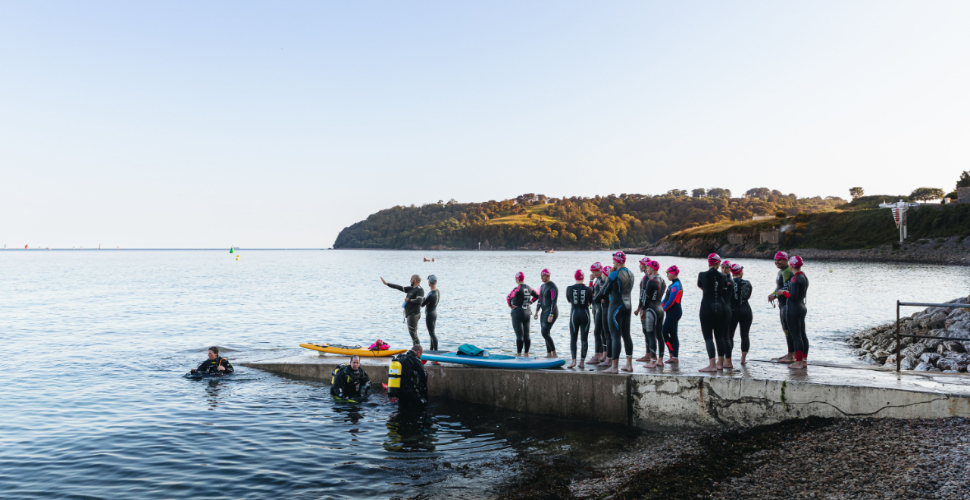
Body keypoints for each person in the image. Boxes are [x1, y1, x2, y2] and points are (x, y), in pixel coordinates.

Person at [593, 252, 635, 373]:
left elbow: (603, 290)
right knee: (626, 335)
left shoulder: (614, 274)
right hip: (628, 306)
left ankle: (614, 367)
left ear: (616, 261)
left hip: (616, 306)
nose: (613, 264)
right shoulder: (631, 273)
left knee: (615, 335)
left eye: (613, 261)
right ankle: (629, 364)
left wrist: (595, 299)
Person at [697, 253, 730, 372]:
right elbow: (723, 289)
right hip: (721, 306)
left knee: (708, 337)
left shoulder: (702, 275)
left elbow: (701, 287)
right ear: (718, 263)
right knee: (720, 336)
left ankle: (712, 365)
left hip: (707, 306)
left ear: (708, 262)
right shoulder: (723, 276)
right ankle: (720, 364)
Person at [636, 258, 666, 368]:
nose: (647, 269)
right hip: (660, 309)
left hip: (651, 310)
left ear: (652, 269)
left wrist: (642, 310)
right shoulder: (662, 280)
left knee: (650, 335)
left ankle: (652, 360)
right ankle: (660, 360)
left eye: (648, 267)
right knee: (659, 335)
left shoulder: (650, 281)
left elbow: (646, 298)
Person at [781, 256, 810, 370]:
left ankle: (798, 362)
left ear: (791, 265)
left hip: (794, 309)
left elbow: (792, 297)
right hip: (802, 307)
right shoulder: (804, 276)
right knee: (803, 335)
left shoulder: (795, 278)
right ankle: (804, 361)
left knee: (796, 336)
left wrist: (782, 292)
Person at [767, 251, 795, 363]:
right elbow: (779, 287)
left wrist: (774, 295)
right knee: (786, 329)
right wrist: (772, 294)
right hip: (782, 305)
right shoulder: (781, 272)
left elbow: (786, 288)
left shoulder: (787, 272)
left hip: (788, 305)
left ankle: (791, 355)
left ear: (785, 260)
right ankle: (790, 353)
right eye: (775, 260)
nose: (776, 262)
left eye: (779, 260)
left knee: (789, 330)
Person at [381, 275, 425, 347]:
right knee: (413, 334)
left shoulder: (420, 290)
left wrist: (409, 300)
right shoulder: (411, 288)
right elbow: (399, 287)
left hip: (414, 314)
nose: (410, 280)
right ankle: (415, 351)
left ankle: (418, 352)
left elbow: (419, 301)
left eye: (411, 279)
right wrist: (387, 284)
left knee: (413, 334)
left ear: (415, 280)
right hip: (410, 314)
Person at [565, 269, 593, 369]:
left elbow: (569, 300)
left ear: (575, 277)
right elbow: (590, 302)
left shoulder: (569, 288)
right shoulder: (588, 289)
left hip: (574, 314)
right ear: (583, 278)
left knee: (573, 338)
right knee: (584, 339)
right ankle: (582, 361)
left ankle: (573, 361)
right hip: (585, 314)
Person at [507, 271, 539, 355]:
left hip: (517, 314)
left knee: (519, 336)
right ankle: (526, 354)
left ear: (516, 279)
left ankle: (519, 355)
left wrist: (510, 306)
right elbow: (537, 295)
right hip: (527, 313)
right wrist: (530, 302)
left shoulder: (517, 289)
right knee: (527, 335)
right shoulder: (529, 288)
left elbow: (508, 297)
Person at [729, 263, 754, 365]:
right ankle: (743, 359)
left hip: (733, 310)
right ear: (740, 272)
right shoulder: (747, 283)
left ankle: (728, 358)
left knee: (729, 335)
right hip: (745, 309)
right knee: (745, 335)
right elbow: (748, 296)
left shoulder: (728, 283)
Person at [534, 269, 560, 358]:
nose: (542, 278)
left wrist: (551, 314)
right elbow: (540, 300)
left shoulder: (552, 287)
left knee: (544, 332)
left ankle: (554, 353)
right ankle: (548, 354)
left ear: (548, 276)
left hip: (551, 311)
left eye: (544, 276)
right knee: (546, 332)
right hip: (543, 312)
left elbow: (554, 302)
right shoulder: (542, 286)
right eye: (541, 276)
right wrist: (537, 311)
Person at [660, 266, 682, 364]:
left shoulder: (676, 285)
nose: (667, 274)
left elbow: (671, 302)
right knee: (673, 334)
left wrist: (662, 310)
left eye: (668, 273)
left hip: (674, 312)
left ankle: (672, 354)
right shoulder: (672, 285)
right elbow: (665, 300)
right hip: (671, 312)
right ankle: (674, 357)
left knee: (664, 332)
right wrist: (659, 307)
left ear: (673, 274)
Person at [587, 262, 606, 365]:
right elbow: (592, 293)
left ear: (600, 270)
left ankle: (597, 355)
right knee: (600, 332)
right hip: (596, 308)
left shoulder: (601, 280)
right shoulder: (597, 280)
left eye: (595, 272)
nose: (594, 274)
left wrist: (590, 281)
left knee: (598, 332)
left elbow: (595, 293)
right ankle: (602, 354)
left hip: (600, 309)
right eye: (592, 272)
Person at [719, 260, 735, 369]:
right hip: (725, 309)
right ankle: (725, 359)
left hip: (726, 309)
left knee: (726, 337)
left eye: (726, 268)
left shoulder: (728, 281)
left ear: (730, 269)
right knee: (725, 336)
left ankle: (728, 361)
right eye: (723, 267)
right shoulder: (724, 279)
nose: (724, 270)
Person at [597, 265, 614, 367]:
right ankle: (608, 356)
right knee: (609, 335)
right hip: (611, 309)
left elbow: (597, 297)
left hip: (607, 309)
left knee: (608, 334)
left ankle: (609, 358)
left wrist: (598, 298)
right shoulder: (612, 282)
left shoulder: (606, 284)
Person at [422, 275, 440, 351]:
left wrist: (423, 300)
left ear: (429, 282)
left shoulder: (431, 294)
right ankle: (431, 349)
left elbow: (422, 304)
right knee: (431, 333)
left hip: (429, 314)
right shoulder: (437, 291)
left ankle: (435, 352)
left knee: (432, 334)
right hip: (434, 313)